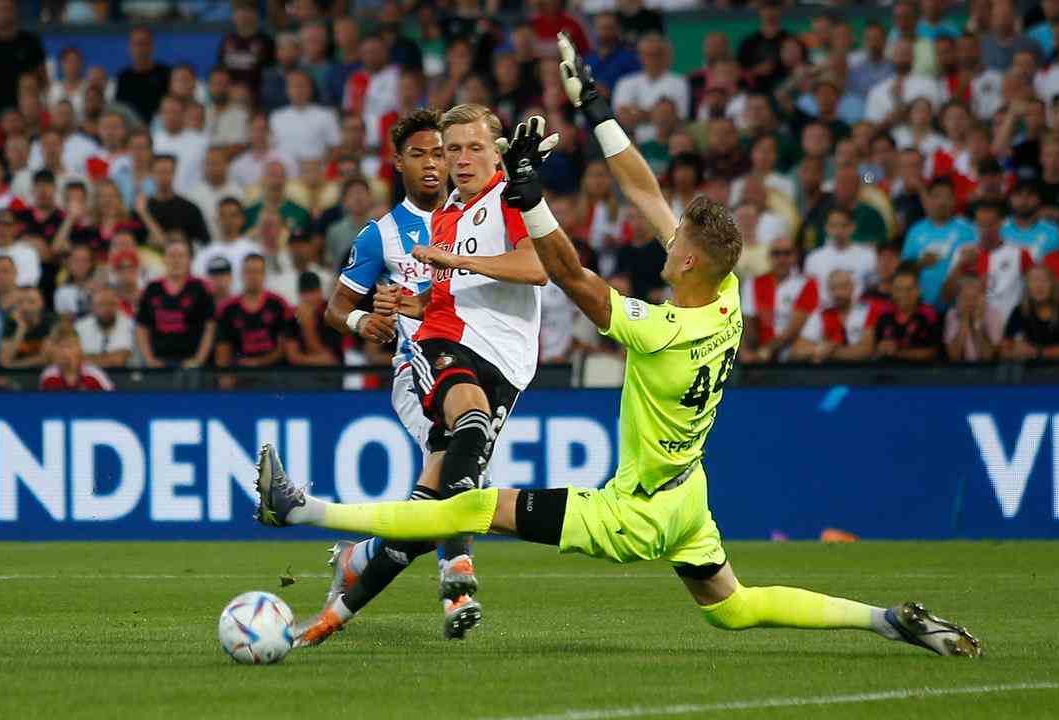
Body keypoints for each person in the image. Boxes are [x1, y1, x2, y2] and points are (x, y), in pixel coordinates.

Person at [256, 35, 981, 659]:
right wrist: (596, 108)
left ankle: (302, 512)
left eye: (676, 245)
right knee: (734, 606)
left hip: (631, 513)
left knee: (466, 506)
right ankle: (886, 621)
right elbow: (644, 191)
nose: (665, 242)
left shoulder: (663, 328)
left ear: (691, 262)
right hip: (688, 497)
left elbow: (567, 274)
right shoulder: (723, 300)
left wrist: (531, 198)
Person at [297, 103, 552, 646]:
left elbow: (521, 266)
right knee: (467, 439)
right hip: (424, 360)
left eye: (454, 150)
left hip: (495, 356)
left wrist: (418, 295)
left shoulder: (473, 207)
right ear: (400, 164)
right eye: (430, 153)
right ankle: (456, 580)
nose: (442, 162)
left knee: (443, 485)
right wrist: (373, 318)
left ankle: (351, 575)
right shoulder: (382, 233)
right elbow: (337, 309)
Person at [135, 237, 216, 368]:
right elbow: (141, 327)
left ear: (189, 260)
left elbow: (210, 328)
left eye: (181, 256)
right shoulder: (152, 288)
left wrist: (198, 360)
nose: (176, 260)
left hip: (191, 363)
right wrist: (149, 360)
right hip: (159, 364)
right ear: (164, 259)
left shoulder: (201, 288)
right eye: (172, 256)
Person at [214, 254, 289, 385]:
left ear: (264, 274)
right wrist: (225, 376)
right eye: (249, 271)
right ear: (241, 274)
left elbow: (284, 347)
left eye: (257, 272)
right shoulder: (228, 309)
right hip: (239, 375)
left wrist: (258, 363)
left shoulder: (278, 304)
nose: (253, 276)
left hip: (273, 374)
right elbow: (222, 351)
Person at [901, 178, 976, 306]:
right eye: (936, 196)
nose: (942, 202)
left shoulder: (968, 230)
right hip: (921, 306)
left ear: (954, 200)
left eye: (947, 197)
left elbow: (976, 266)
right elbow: (904, 270)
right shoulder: (916, 230)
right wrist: (920, 264)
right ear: (928, 200)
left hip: (956, 306)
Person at [743, 236, 819, 362]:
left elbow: (793, 329)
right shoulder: (753, 283)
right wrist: (749, 351)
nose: (782, 259)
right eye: (776, 254)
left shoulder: (807, 284)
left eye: (787, 253)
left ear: (795, 256)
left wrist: (765, 351)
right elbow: (749, 324)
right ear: (769, 257)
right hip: (761, 353)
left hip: (791, 355)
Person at [790, 269, 879, 363]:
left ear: (853, 287)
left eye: (843, 287)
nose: (838, 293)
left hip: (862, 371)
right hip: (829, 374)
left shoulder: (867, 310)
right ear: (828, 290)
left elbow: (865, 351)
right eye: (833, 288)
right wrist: (816, 350)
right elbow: (795, 352)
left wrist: (828, 352)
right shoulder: (821, 314)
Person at [0, 0, 46, 121]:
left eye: (6, 9)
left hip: (26, 109)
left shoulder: (30, 42)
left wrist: (39, 106)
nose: (3, 14)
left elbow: (43, 78)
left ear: (15, 11)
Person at [1001, 264, 1059, 360]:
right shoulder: (1019, 311)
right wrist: (1015, 351)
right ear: (1027, 286)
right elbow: (1004, 349)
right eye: (1034, 280)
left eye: (1044, 280)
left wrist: (1038, 352)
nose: (1039, 285)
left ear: (1052, 285)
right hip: (1027, 372)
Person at [874, 264, 942, 362]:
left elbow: (932, 352)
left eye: (909, 289)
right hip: (886, 372)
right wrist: (880, 347)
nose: (903, 294)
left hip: (919, 372)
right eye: (898, 289)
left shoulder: (929, 314)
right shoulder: (884, 313)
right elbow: (874, 346)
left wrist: (896, 353)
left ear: (918, 291)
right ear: (892, 292)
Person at [944, 275, 1003, 362]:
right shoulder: (952, 315)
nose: (970, 303)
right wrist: (964, 321)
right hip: (960, 370)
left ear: (982, 297)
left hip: (987, 371)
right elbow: (954, 356)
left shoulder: (994, 315)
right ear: (958, 300)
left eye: (974, 298)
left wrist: (977, 323)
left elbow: (987, 356)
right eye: (966, 298)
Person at [75, 286, 134, 369]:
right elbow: (75, 358)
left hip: (122, 376)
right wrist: (110, 358)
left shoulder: (130, 324)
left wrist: (88, 358)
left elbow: (119, 360)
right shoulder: (80, 327)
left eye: (111, 304)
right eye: (101, 304)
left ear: (118, 306)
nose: (106, 309)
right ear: (93, 307)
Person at [39, 326, 115, 391]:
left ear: (79, 349)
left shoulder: (94, 375)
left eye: (69, 346)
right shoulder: (48, 377)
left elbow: (115, 402)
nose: (64, 352)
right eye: (60, 347)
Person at [0, 287, 56, 369]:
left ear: (41, 304)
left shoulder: (51, 322)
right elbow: (4, 360)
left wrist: (12, 365)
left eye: (31, 302)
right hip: (16, 376)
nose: (25, 307)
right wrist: (21, 328)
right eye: (20, 302)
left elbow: (44, 359)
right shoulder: (11, 323)